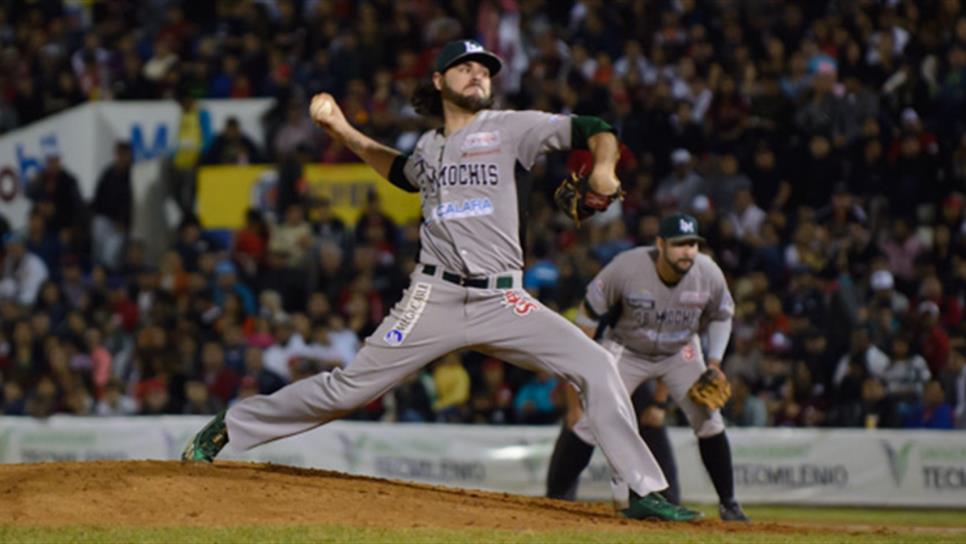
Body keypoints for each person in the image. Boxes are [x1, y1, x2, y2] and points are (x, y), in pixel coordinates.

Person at [182, 39, 701, 522]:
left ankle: (639, 491)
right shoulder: (428, 149)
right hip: (434, 295)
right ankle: (232, 425)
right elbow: (399, 170)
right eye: (465, 67)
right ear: (438, 80)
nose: (477, 74)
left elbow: (593, 125)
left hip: (504, 299)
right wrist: (343, 132)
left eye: (484, 70)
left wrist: (604, 168)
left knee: (596, 364)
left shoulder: (510, 127)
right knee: (348, 390)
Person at [545, 213, 749, 521]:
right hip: (627, 349)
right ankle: (556, 501)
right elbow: (587, 318)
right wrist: (577, 381)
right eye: (680, 244)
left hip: (680, 352)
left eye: (693, 244)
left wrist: (715, 362)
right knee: (588, 423)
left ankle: (729, 504)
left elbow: (723, 315)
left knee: (709, 419)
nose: (688, 251)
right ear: (660, 244)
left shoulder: (708, 272)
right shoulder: (626, 267)